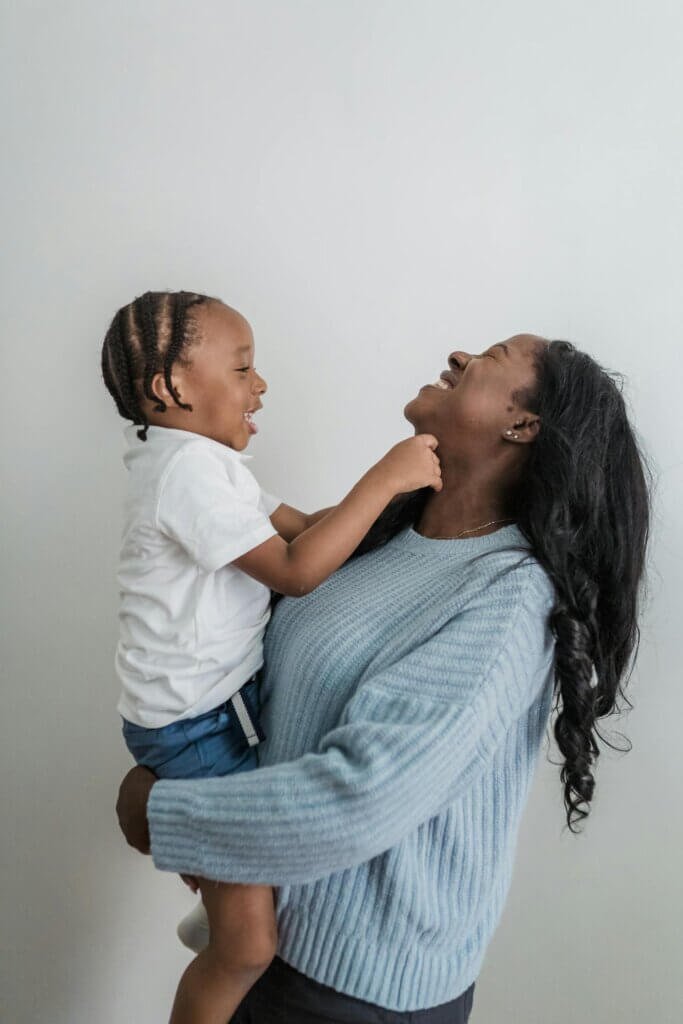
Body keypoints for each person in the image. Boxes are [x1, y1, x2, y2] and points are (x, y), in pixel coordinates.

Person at [116, 333, 650, 1023]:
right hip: (271, 943)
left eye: (489, 355)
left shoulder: (507, 598)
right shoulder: (386, 535)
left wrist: (161, 813)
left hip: (352, 990)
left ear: (521, 425)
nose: (458, 355)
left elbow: (357, 798)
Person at [101, 289, 442, 1024]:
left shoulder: (208, 464)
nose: (261, 386)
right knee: (249, 950)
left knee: (277, 849)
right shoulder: (186, 472)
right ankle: (225, 928)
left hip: (221, 704)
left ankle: (226, 898)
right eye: (244, 368)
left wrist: (402, 504)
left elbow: (307, 526)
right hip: (198, 723)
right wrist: (384, 476)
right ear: (172, 387)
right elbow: (293, 567)